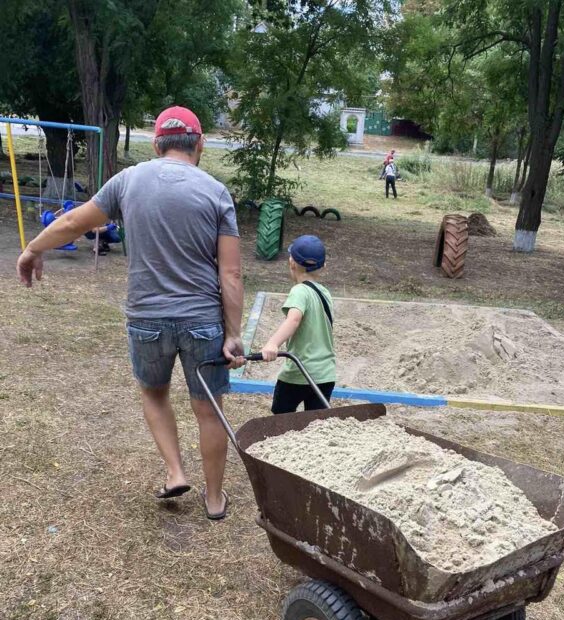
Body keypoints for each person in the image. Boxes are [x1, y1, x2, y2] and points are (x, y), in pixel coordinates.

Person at [16, 106, 244, 520]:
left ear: (157, 143)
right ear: (201, 144)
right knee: (208, 409)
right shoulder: (215, 191)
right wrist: (233, 333)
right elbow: (230, 272)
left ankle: (175, 471)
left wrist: (33, 248)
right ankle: (214, 500)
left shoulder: (128, 181)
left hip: (147, 319)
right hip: (203, 321)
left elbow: (71, 223)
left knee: (154, 394)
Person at [261, 235, 335, 414]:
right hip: (325, 374)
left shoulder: (299, 291)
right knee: (316, 423)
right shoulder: (325, 293)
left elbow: (294, 319)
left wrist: (273, 343)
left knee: (280, 417)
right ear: (324, 266)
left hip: (300, 371)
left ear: (291, 262)